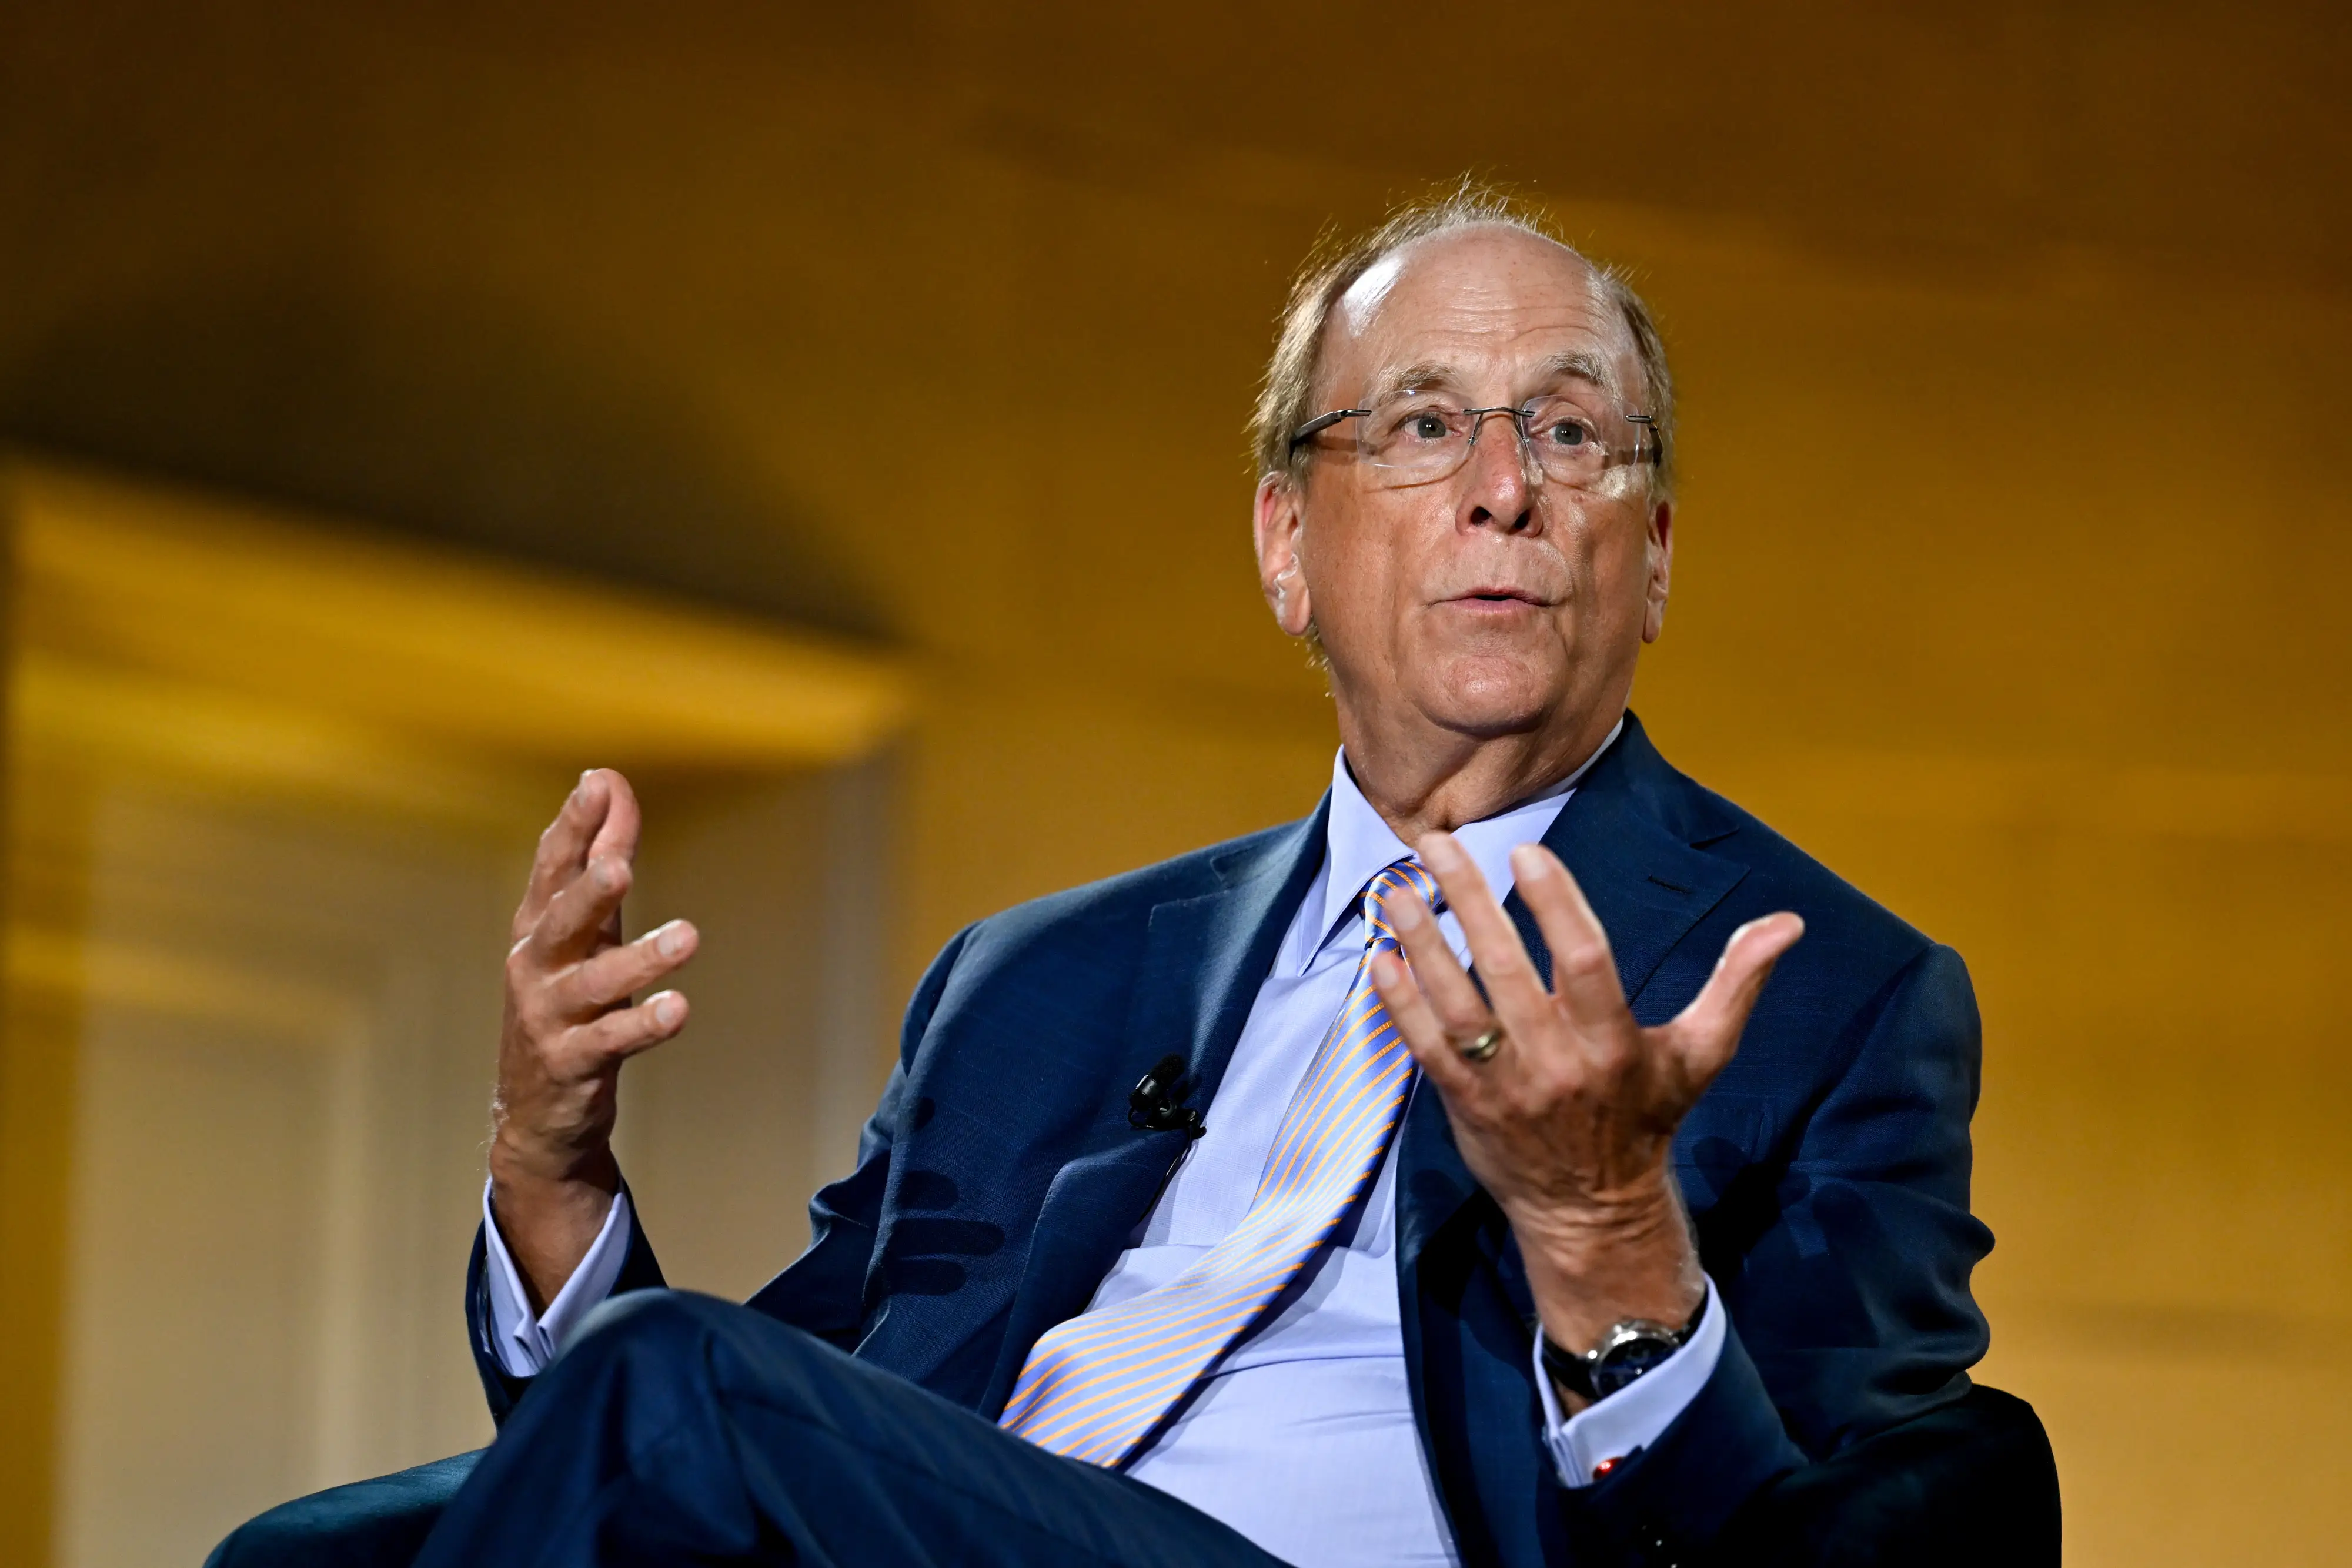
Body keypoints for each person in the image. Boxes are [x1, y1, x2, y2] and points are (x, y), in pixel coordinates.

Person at [212, 188, 2057, 1568]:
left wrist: (1606, 1239)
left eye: (1570, 433)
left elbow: (1850, 1550)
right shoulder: (1034, 982)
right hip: (986, 1522)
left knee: (676, 1393)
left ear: (1649, 561)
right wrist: (550, 1170)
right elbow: (702, 1454)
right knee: (294, 1558)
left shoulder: (1825, 991)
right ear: (1286, 544)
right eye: (1423, 425)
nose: (1504, 485)